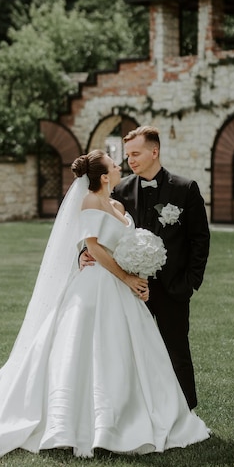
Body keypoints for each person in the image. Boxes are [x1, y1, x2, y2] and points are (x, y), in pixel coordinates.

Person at [0, 150, 209, 458]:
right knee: (89, 350)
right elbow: (93, 248)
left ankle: (135, 416)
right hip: (96, 289)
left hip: (122, 289)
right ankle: (83, 425)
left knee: (126, 352)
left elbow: (119, 244)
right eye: (114, 163)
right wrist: (126, 277)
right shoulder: (91, 203)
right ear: (104, 176)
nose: (121, 164)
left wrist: (139, 266)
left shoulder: (118, 206)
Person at [82, 127, 210, 410]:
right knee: (132, 351)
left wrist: (190, 281)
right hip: (127, 288)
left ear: (155, 151)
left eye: (136, 153)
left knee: (176, 351)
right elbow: (100, 226)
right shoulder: (122, 189)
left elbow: (199, 239)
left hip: (172, 286)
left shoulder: (185, 188)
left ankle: (186, 412)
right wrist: (83, 252)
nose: (131, 161)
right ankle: (141, 412)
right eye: (127, 155)